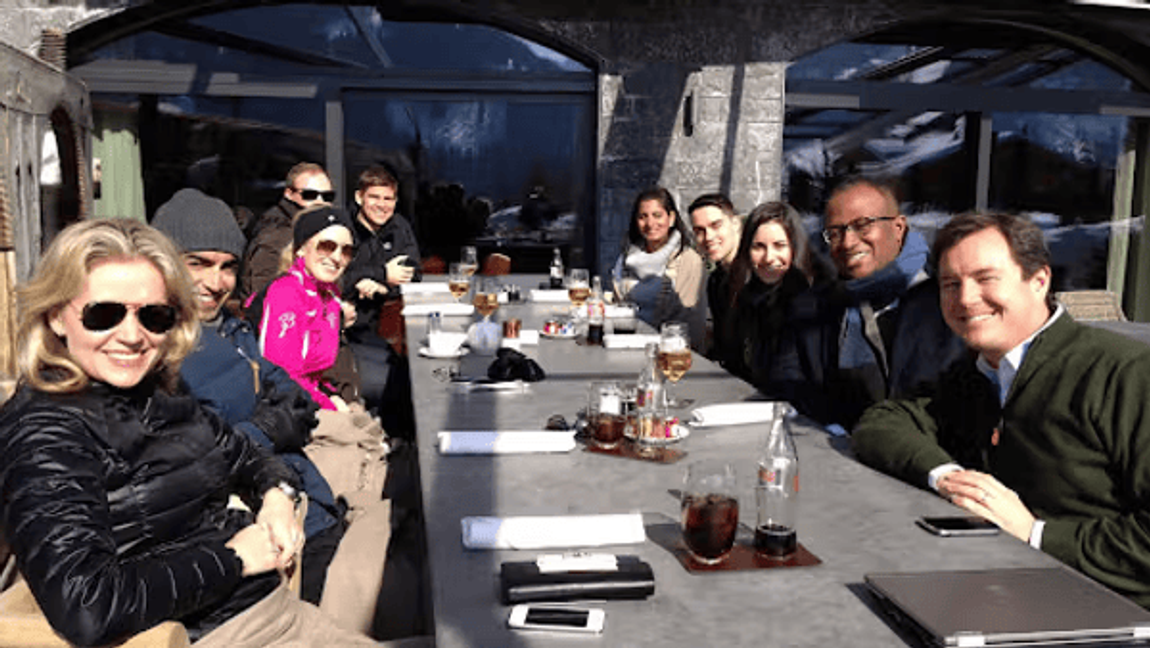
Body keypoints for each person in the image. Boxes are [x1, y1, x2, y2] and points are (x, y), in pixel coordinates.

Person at [0, 218, 375, 646]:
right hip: (226, 634)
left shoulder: (156, 390)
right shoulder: (45, 432)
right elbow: (86, 606)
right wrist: (234, 559)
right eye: (104, 314)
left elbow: (245, 455)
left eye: (154, 316)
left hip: (277, 611)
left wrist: (276, 495)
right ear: (57, 318)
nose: (131, 336)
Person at [853, 212, 1150, 609]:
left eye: (985, 278)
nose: (965, 299)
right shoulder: (976, 376)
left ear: (1039, 281)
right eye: (950, 284)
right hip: (997, 595)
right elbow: (882, 423)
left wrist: (1035, 534)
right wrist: (951, 478)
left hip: (1107, 616)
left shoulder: (1125, 373)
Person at [770, 176, 965, 429]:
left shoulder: (949, 305)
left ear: (898, 228)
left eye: (862, 225)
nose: (848, 242)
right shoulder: (813, 308)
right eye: (835, 232)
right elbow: (788, 383)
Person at [341, 165, 420, 435]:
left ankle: (398, 443)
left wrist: (382, 287)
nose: (382, 205)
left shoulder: (399, 227)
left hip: (379, 329)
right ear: (359, 197)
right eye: (374, 197)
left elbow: (413, 272)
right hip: (344, 332)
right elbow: (331, 277)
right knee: (396, 382)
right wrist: (381, 273)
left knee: (411, 373)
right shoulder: (341, 229)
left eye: (388, 199)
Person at [259, 205, 357, 412]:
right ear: (302, 248)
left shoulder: (330, 295)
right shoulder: (286, 292)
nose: (337, 258)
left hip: (310, 397)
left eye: (346, 251)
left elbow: (314, 373)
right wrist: (328, 404)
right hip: (281, 408)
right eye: (327, 246)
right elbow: (281, 375)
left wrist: (330, 395)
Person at [723, 202, 823, 386]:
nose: (769, 257)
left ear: (795, 248)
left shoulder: (811, 303)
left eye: (779, 245)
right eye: (759, 247)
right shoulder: (746, 298)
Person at [612, 187, 707, 349]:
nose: (650, 224)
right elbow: (617, 307)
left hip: (668, 352)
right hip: (625, 343)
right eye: (643, 217)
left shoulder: (687, 260)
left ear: (671, 219)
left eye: (657, 215)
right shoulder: (627, 258)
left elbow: (687, 323)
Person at [241, 162, 334, 302]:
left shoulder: (313, 229)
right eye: (310, 194)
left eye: (327, 196)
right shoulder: (277, 234)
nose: (320, 202)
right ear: (289, 194)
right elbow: (261, 297)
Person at [688, 193, 742, 365]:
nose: (709, 237)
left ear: (735, 224)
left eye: (716, 225)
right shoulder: (716, 281)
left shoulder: (759, 274)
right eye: (699, 231)